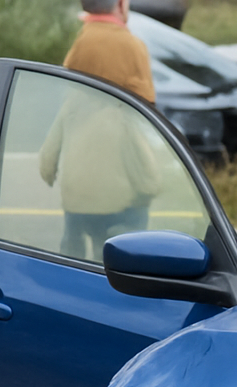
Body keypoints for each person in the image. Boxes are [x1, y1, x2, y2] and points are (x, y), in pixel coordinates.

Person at [40, 0, 163, 261]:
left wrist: (48, 169)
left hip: (77, 194)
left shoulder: (80, 44)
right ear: (120, 4)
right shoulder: (133, 47)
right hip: (122, 196)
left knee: (74, 246)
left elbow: (48, 156)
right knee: (130, 250)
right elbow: (147, 112)